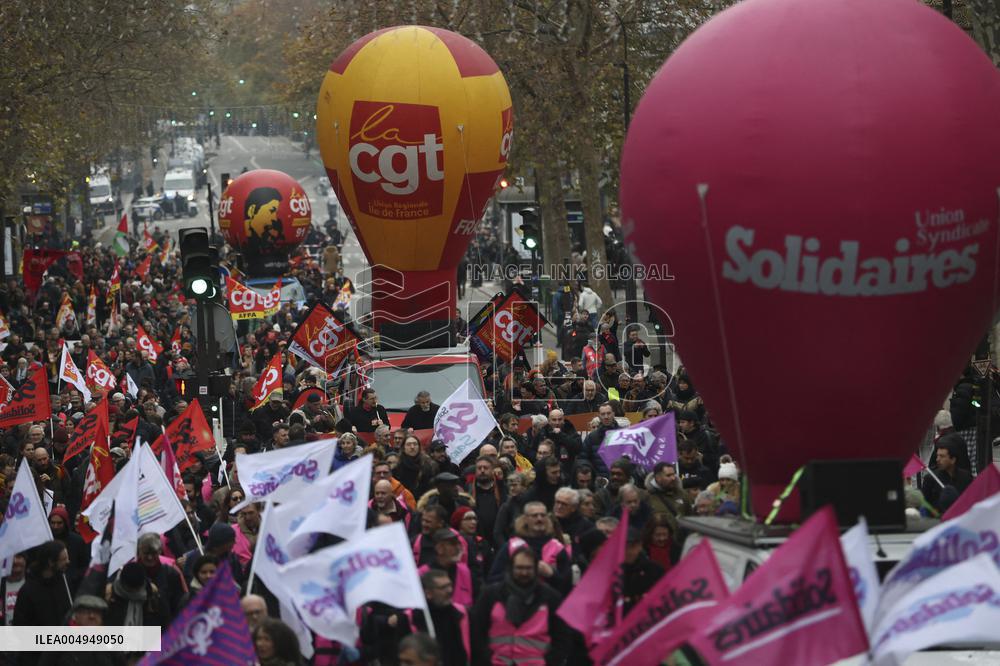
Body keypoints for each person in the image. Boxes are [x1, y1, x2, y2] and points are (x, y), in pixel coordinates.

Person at [472, 546, 570, 666]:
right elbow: (476, 632)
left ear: (535, 569)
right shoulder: (490, 595)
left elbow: (562, 637)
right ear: (510, 568)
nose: (524, 573)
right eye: (519, 568)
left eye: (528, 568)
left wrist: (549, 662)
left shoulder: (550, 598)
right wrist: (487, 660)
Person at [489, 502, 572, 595]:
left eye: (543, 515)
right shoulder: (511, 546)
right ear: (525, 519)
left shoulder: (557, 548)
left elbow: (568, 585)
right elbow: (494, 579)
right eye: (534, 516)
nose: (539, 519)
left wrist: (552, 574)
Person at [396, 569, 470, 666]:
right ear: (428, 593)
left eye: (449, 585)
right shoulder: (410, 618)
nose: (449, 590)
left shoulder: (461, 614)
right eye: (443, 587)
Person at [13, 541, 72, 638]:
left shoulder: (65, 583)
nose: (68, 562)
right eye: (64, 559)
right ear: (51, 562)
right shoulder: (28, 591)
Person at [417, 529, 479, 607]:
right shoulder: (422, 574)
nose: (458, 548)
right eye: (452, 544)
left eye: (458, 544)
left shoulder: (465, 571)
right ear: (440, 548)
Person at [105, 561, 169, 628]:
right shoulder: (110, 595)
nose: (134, 593)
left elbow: (164, 621)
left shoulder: (152, 595)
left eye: (137, 590)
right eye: (129, 590)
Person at [622, 527, 664, 615]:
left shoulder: (654, 570)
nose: (628, 551)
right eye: (624, 547)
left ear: (640, 546)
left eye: (632, 547)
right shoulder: (611, 571)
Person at [922, 438, 973, 509]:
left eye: (942, 456)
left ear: (953, 460)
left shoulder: (966, 477)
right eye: (937, 456)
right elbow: (924, 506)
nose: (937, 459)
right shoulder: (930, 478)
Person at [580, 403, 619, 476]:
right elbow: (583, 460)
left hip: (619, 479)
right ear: (599, 416)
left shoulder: (622, 434)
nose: (606, 417)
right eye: (603, 414)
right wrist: (594, 476)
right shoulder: (592, 437)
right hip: (598, 482)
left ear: (613, 414)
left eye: (608, 413)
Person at [2, 553, 27, 625]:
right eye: (9, 558)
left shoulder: (34, 584)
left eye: (18, 557)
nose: (14, 561)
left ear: (25, 560)